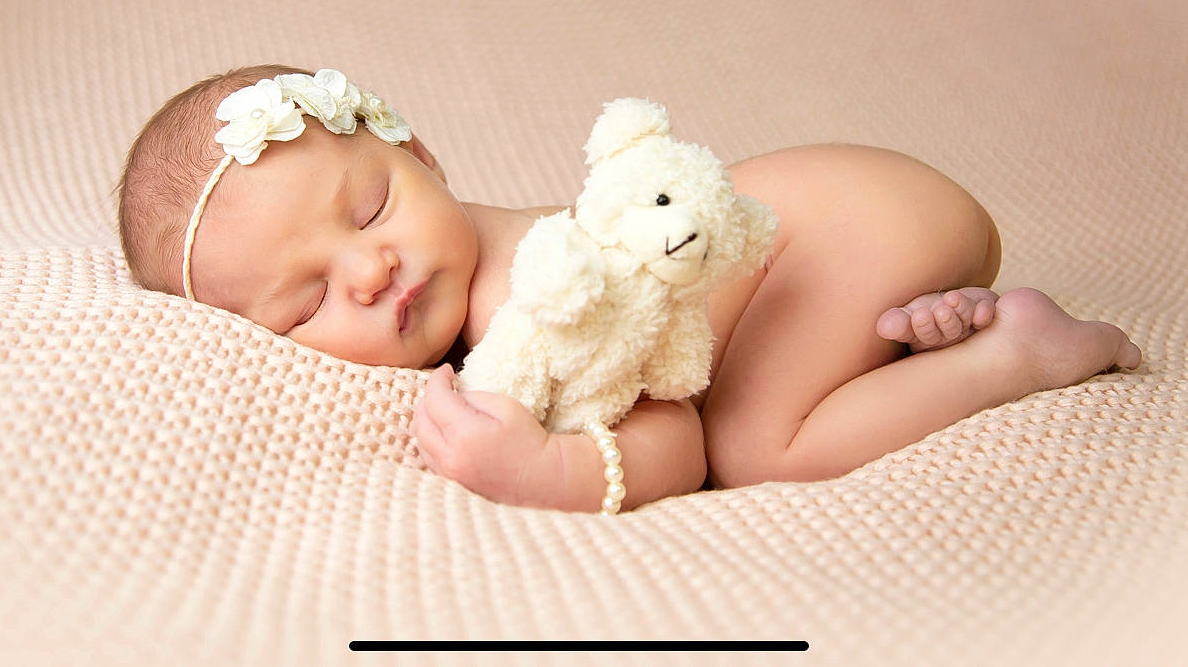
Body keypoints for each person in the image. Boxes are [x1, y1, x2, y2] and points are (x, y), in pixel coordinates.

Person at [117, 64, 1143, 513]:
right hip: (847, 230)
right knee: (761, 381)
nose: (370, 269)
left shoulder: (538, 288)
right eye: (307, 304)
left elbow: (680, 444)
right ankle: (916, 340)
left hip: (842, 223)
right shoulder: (489, 295)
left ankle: (1023, 351)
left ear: (421, 152)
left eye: (372, 211)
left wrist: (551, 471)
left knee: (754, 448)